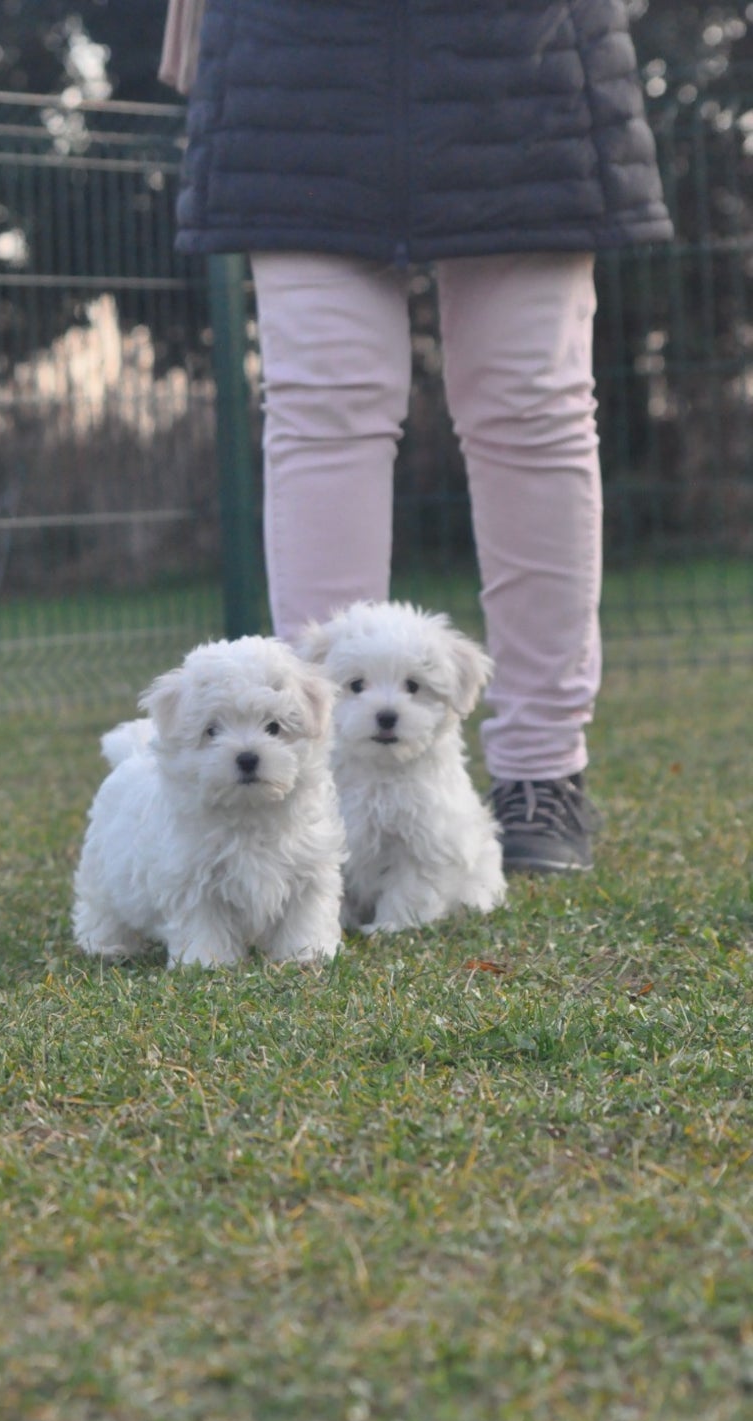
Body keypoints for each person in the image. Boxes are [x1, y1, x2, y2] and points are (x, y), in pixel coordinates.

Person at [163, 0, 673, 874]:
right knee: (322, 406)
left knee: (533, 406)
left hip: (525, 47)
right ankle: (324, 773)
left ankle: (542, 774)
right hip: (296, 50)